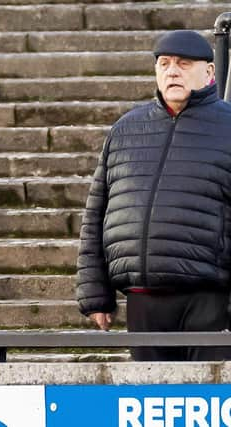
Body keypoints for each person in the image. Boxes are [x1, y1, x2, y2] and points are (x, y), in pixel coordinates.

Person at [76, 30, 231, 361]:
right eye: (164, 63)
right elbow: (96, 214)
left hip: (212, 299)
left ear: (209, 73)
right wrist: (96, 294)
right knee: (151, 399)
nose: (172, 71)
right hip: (143, 298)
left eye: (183, 63)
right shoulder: (125, 129)